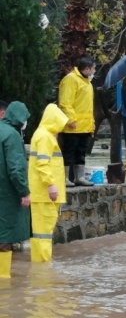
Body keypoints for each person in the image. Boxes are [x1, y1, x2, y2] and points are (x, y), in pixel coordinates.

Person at [28, 104, 69, 262]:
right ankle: (42, 268)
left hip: (44, 194)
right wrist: (51, 184)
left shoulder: (43, 135)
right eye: (59, 124)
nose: (60, 129)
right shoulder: (45, 136)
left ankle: (41, 267)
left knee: (43, 233)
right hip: (44, 194)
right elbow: (42, 164)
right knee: (43, 234)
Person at [0, 101, 31, 278]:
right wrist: (24, 192)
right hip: (6, 194)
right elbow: (15, 168)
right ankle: (3, 281)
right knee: (4, 237)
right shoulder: (11, 135)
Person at [59, 56, 96, 187]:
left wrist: (91, 123)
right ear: (86, 69)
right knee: (69, 151)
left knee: (81, 152)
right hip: (73, 126)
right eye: (93, 68)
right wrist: (71, 119)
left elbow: (87, 106)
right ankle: (65, 178)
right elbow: (65, 102)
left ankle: (79, 177)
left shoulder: (87, 82)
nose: (94, 71)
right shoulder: (71, 80)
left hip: (85, 126)